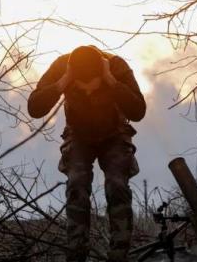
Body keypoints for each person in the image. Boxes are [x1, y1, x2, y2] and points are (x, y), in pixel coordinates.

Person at [28, 45, 146, 262]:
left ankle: (119, 255)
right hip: (79, 135)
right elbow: (34, 108)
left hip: (114, 133)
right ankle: (76, 254)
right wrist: (63, 82)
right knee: (77, 183)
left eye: (94, 88)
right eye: (82, 90)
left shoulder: (117, 67)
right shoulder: (62, 67)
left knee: (117, 184)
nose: (89, 93)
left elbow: (138, 111)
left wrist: (111, 81)